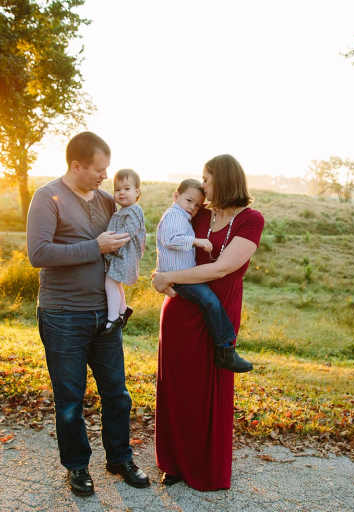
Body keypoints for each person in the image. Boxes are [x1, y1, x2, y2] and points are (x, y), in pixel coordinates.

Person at [26, 131, 150, 497]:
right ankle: (77, 467)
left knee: (118, 394)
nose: (104, 176)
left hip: (106, 316)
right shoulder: (47, 198)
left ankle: (119, 458)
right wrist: (94, 247)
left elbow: (133, 224)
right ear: (76, 166)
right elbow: (39, 254)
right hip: (63, 315)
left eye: (107, 169)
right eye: (99, 169)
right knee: (70, 401)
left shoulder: (109, 200)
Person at [152, 154, 265, 491]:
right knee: (176, 387)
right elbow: (167, 239)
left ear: (225, 179)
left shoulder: (251, 219)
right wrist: (159, 274)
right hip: (180, 310)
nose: (202, 185)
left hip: (218, 311)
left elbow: (221, 268)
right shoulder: (197, 211)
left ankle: (205, 467)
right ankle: (172, 463)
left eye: (208, 178)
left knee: (209, 390)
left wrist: (168, 276)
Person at [155, 178, 253, 372]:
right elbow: (169, 239)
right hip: (179, 277)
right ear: (176, 196)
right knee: (209, 301)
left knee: (210, 302)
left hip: (181, 275)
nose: (193, 207)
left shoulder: (184, 215)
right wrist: (196, 241)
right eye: (189, 201)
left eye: (198, 205)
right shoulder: (174, 215)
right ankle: (226, 350)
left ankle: (226, 349)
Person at [101, 168, 147, 335]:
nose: (121, 193)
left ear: (137, 192)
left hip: (125, 253)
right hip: (118, 252)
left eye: (126, 189)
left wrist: (111, 239)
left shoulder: (134, 210)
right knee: (116, 282)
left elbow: (130, 230)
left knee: (110, 283)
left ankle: (113, 317)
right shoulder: (119, 211)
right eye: (117, 189)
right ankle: (123, 309)